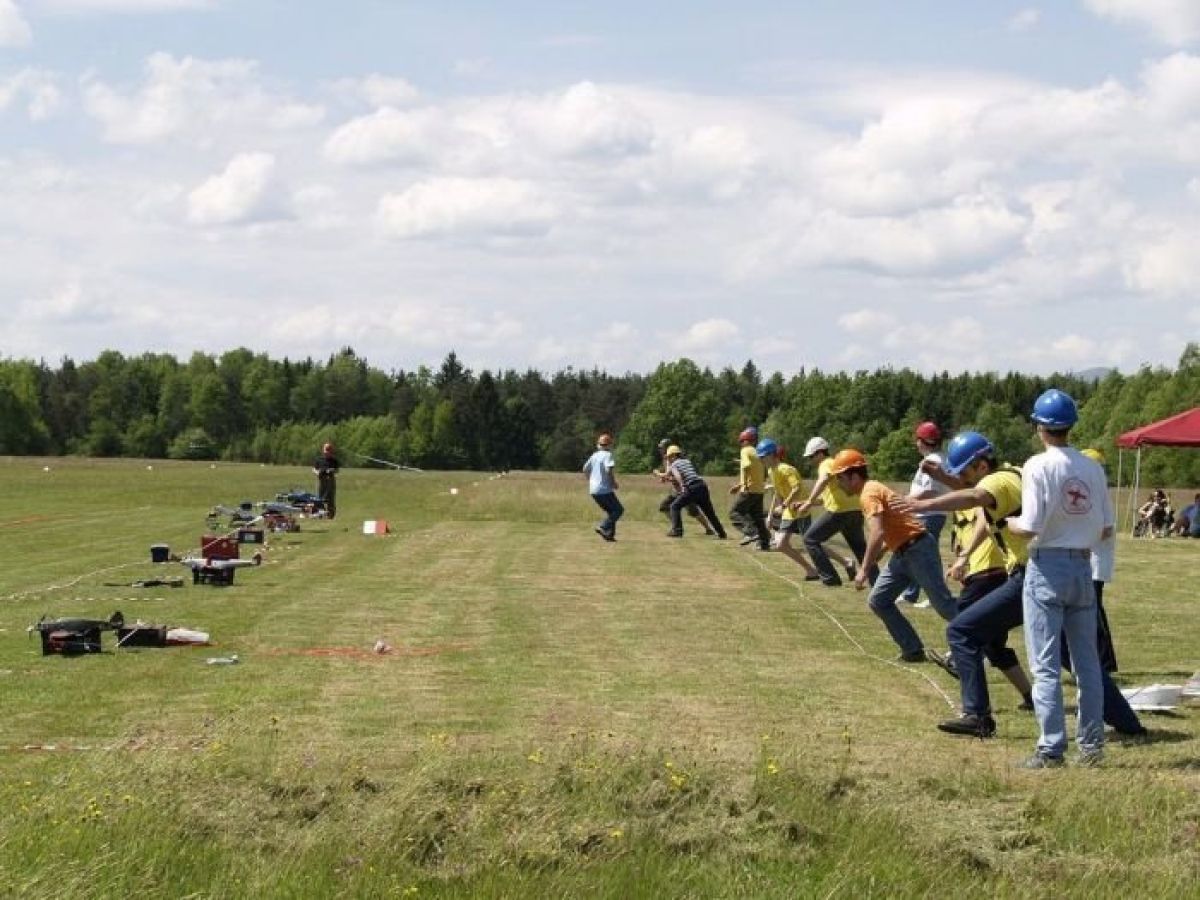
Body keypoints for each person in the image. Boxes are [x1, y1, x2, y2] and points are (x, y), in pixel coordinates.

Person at [894, 431, 1037, 736]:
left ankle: (977, 713)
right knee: (996, 640)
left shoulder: (996, 483)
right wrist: (964, 556)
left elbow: (973, 496)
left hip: (1023, 574)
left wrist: (924, 506)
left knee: (962, 631)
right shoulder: (1011, 476)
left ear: (982, 465)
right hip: (1033, 572)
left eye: (965, 473)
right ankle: (1123, 721)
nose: (962, 479)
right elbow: (984, 514)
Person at [1007, 389, 1110, 769]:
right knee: (1087, 664)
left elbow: (1030, 525)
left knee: (1046, 665)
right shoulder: (1092, 468)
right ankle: (1092, 747)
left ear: (1040, 427)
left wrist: (1010, 523)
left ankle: (1051, 748)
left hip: (1047, 567)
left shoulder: (1037, 465)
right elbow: (1105, 527)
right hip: (1083, 566)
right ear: (1070, 427)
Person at [827, 449, 959, 663]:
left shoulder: (868, 494)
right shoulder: (871, 489)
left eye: (840, 478)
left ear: (854, 476)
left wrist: (864, 569)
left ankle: (981, 634)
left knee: (943, 604)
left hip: (918, 550)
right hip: (902, 553)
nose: (839, 484)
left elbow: (877, 532)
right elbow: (893, 523)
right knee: (879, 600)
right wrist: (882, 551)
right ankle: (913, 650)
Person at [795, 437, 866, 586]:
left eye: (811, 456)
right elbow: (825, 498)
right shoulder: (836, 465)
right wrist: (806, 502)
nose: (810, 460)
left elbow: (824, 479)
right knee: (861, 550)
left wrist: (808, 502)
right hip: (856, 509)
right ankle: (876, 580)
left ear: (820, 453)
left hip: (839, 511)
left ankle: (830, 578)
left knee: (810, 539)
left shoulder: (826, 463)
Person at [900, 421, 952, 608]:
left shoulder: (933, 461)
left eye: (918, 439)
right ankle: (911, 594)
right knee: (918, 555)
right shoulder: (936, 458)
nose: (916, 444)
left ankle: (937, 595)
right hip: (927, 513)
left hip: (929, 514)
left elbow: (930, 491)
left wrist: (905, 501)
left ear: (924, 441)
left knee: (927, 557)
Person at [755, 438, 821, 580]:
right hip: (789, 513)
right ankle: (811, 570)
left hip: (801, 511)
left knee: (812, 543)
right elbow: (777, 492)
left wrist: (784, 505)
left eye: (762, 457)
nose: (760, 460)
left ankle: (845, 562)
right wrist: (771, 515)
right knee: (781, 545)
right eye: (759, 457)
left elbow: (796, 489)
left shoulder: (785, 469)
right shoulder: (771, 471)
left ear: (771, 455)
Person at [664, 446, 727, 539]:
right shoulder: (687, 461)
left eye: (669, 457)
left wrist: (682, 485)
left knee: (674, 506)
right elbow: (670, 475)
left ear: (673, 455)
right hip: (702, 486)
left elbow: (677, 475)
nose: (668, 459)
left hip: (691, 488)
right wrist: (659, 474)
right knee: (709, 512)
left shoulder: (674, 464)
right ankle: (722, 533)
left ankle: (677, 531)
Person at [654, 438, 714, 535]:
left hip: (684, 490)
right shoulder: (666, 459)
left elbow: (673, 476)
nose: (660, 450)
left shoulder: (671, 460)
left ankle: (708, 529)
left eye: (662, 448)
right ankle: (676, 526)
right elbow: (670, 475)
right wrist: (665, 478)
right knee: (664, 507)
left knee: (693, 511)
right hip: (676, 490)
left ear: (667, 448)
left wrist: (659, 474)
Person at [729, 427, 770, 550]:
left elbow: (746, 467)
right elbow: (763, 473)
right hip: (759, 490)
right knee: (757, 518)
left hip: (749, 489)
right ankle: (764, 543)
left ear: (745, 440)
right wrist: (739, 485)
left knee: (735, 513)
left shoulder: (745, 450)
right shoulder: (758, 452)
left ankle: (752, 533)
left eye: (741, 441)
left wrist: (745, 486)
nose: (741, 444)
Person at [582, 433, 623, 542]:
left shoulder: (594, 455)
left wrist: (590, 480)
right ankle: (603, 526)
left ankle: (609, 535)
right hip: (604, 489)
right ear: (609, 445)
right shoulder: (607, 455)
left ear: (599, 444)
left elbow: (585, 469)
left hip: (593, 490)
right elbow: (608, 470)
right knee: (619, 510)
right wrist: (613, 483)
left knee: (611, 511)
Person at [312, 442, 340, 520]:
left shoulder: (334, 460)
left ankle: (330, 514)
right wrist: (317, 472)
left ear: (331, 451)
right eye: (326, 450)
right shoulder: (319, 459)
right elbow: (314, 469)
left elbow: (337, 470)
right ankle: (320, 513)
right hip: (321, 480)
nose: (327, 452)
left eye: (328, 450)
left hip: (330, 480)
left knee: (330, 498)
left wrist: (331, 470)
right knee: (320, 497)